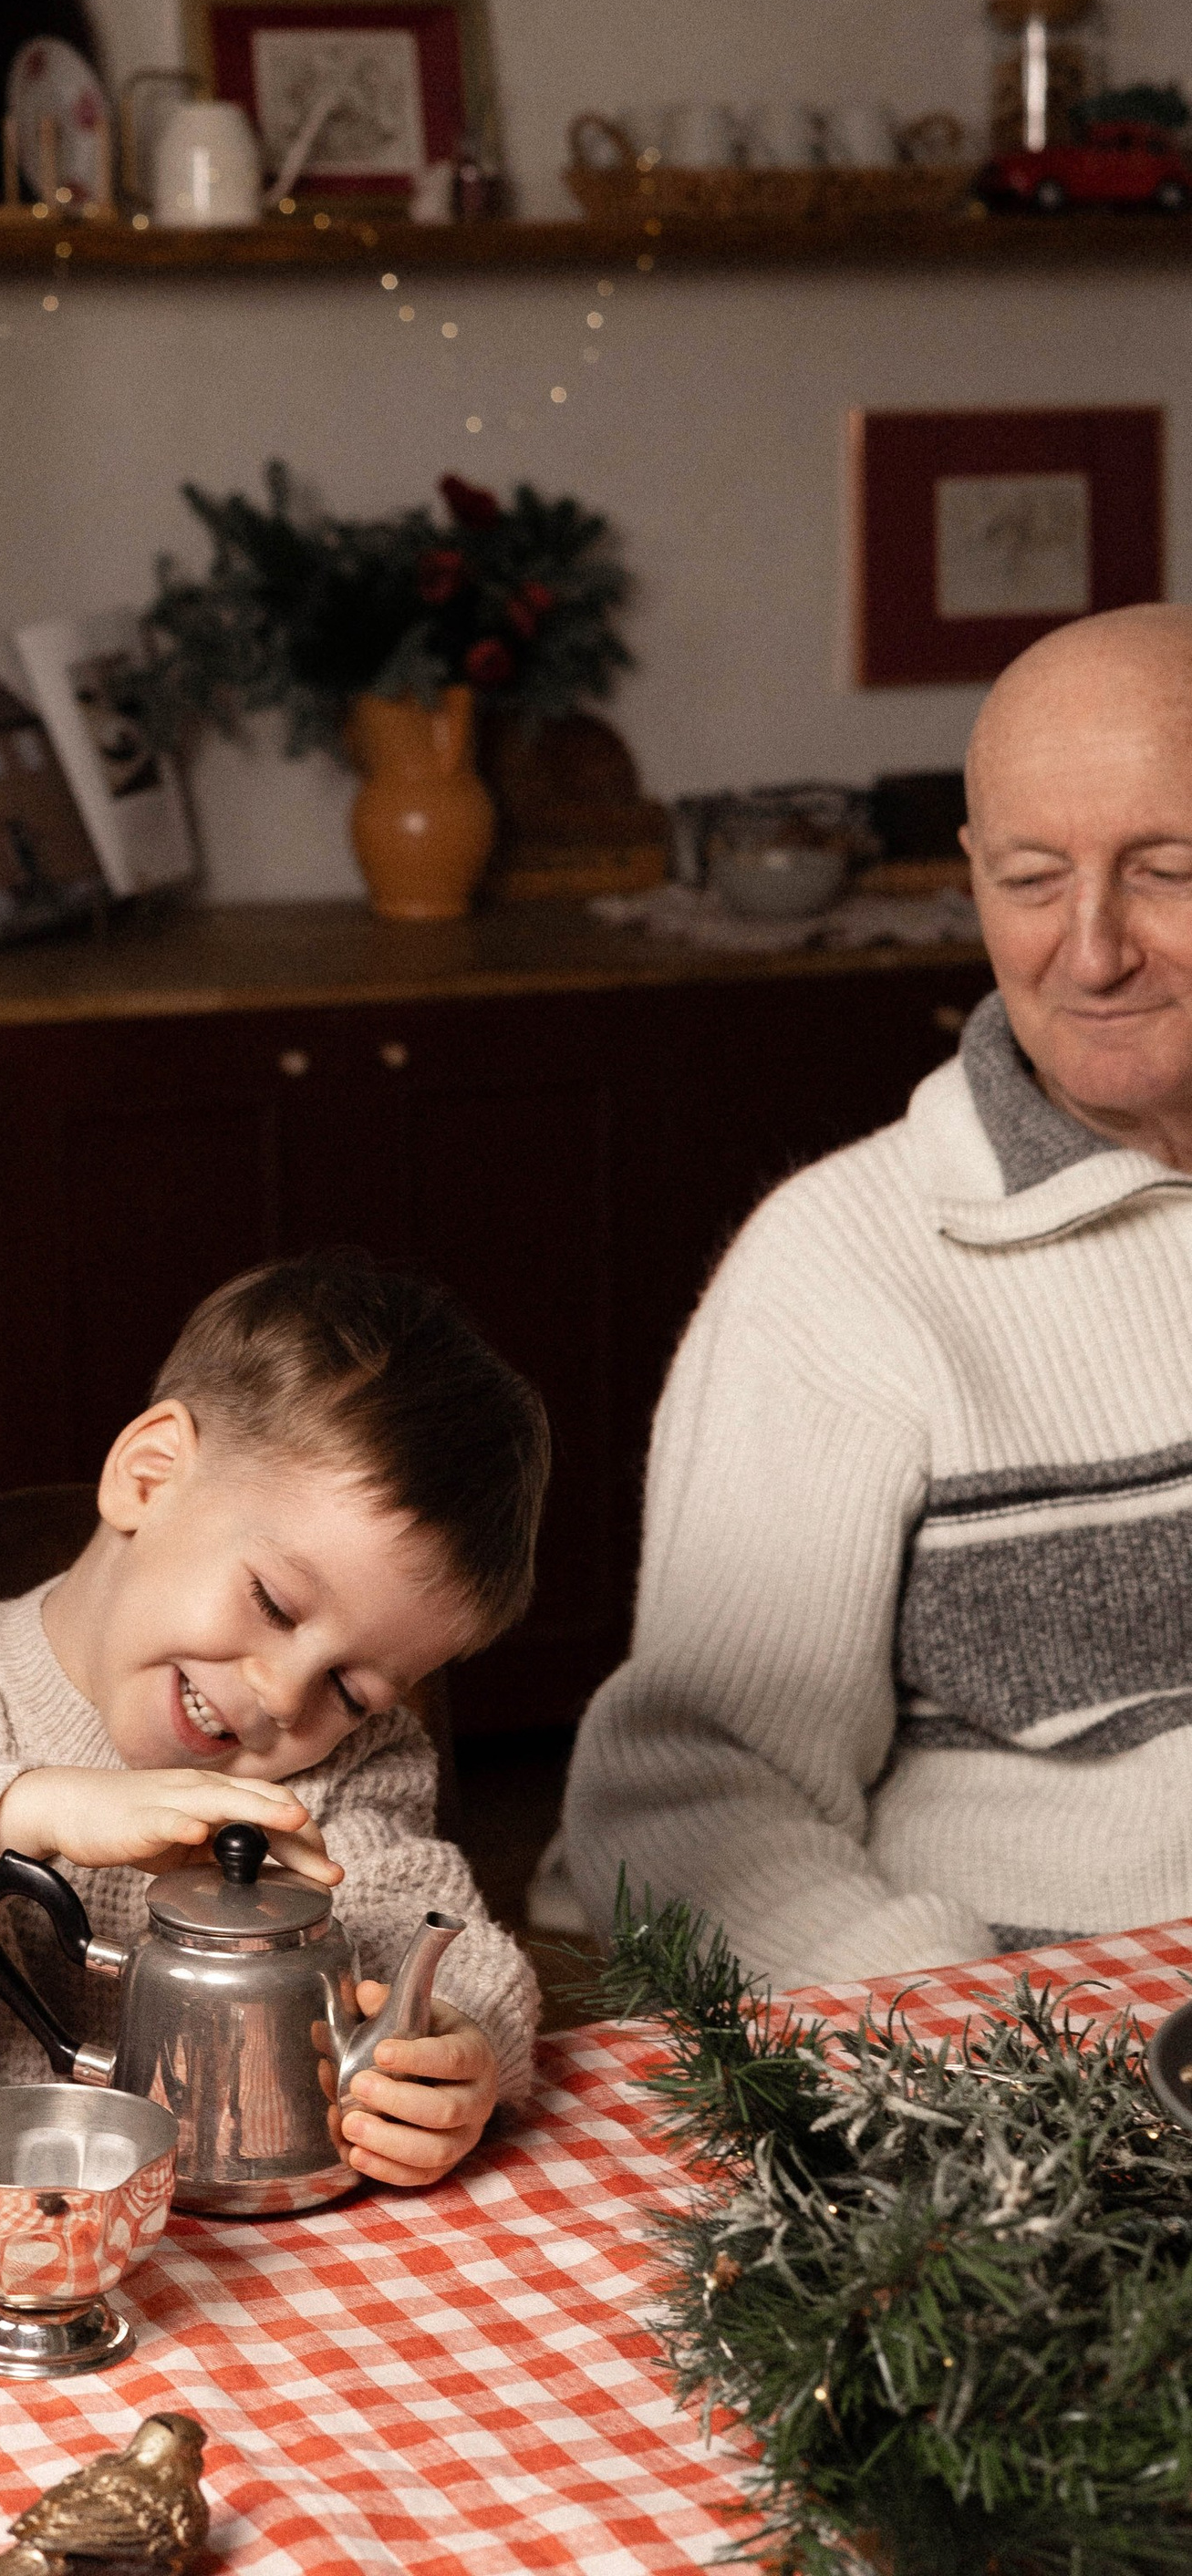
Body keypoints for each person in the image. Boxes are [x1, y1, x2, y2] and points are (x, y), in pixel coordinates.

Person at [555, 603, 1192, 1989]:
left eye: (1167, 871)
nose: (1092, 953)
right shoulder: (838, 1269)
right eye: (1030, 881)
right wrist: (942, 2027)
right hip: (1033, 2068)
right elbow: (686, 1800)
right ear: (967, 876)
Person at [0, 1252, 546, 2186]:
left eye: (350, 1688)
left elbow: (425, 1932)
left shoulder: (345, 1769)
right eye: (272, 1601)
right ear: (146, 1478)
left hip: (264, 2274)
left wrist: (457, 2053)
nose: (282, 1697)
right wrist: (40, 1808)